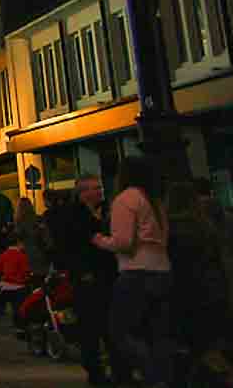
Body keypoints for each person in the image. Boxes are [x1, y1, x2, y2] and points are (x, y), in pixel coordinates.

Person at [93, 156, 174, 388]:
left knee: (120, 331)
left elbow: (124, 242)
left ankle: (152, 375)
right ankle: (164, 377)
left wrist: (100, 240)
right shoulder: (155, 201)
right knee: (157, 332)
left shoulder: (125, 199)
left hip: (137, 271)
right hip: (162, 269)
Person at [51, 173, 124, 386]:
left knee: (112, 327)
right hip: (86, 277)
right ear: (81, 192)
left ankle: (118, 370)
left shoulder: (109, 210)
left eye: (99, 187)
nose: (98, 191)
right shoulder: (73, 215)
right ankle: (95, 372)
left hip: (110, 274)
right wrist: (80, 271)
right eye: (92, 188)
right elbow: (68, 246)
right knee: (91, 327)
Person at [167, 180, 231, 382]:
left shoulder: (169, 231)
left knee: (192, 347)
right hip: (213, 289)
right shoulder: (207, 226)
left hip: (185, 294)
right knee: (212, 343)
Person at [0, 239, 30, 325]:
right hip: (19, 286)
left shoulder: (4, 254)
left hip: (5, 285)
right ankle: (17, 322)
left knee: (2, 299)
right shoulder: (22, 255)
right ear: (18, 243)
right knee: (17, 306)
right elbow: (26, 270)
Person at [14, 197, 51, 278]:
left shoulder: (18, 222)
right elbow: (46, 235)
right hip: (40, 251)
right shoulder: (38, 218)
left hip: (26, 253)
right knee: (43, 277)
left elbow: (18, 238)